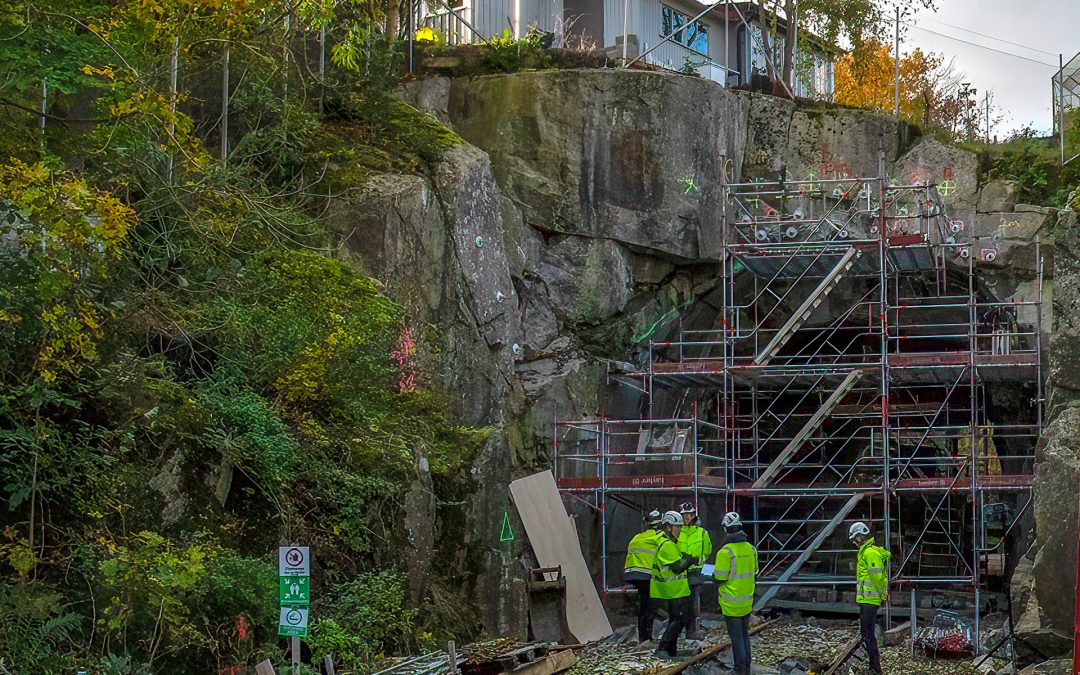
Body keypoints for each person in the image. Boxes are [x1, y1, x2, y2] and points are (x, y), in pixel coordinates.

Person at [714, 511, 758, 675]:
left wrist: (712, 574)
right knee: (744, 635)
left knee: (736, 638)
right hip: (746, 601)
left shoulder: (725, 552)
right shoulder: (751, 549)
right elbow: (755, 572)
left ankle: (739, 670)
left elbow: (719, 578)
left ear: (725, 529)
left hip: (731, 602)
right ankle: (745, 668)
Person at [849, 521, 891, 675]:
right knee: (867, 634)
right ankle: (873, 667)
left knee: (868, 635)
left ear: (861, 537)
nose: (854, 542)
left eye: (855, 539)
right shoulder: (866, 552)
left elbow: (877, 576)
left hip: (870, 600)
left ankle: (875, 668)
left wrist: (882, 594)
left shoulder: (869, 553)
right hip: (867, 599)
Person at [651, 510, 695, 659]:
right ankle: (663, 649)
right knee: (679, 619)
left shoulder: (670, 544)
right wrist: (689, 560)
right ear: (669, 527)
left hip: (675, 590)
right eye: (678, 527)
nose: (680, 530)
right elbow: (677, 568)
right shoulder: (667, 545)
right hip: (672, 590)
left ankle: (671, 650)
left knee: (679, 619)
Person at [623, 510, 663, 643]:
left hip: (632, 574)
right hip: (647, 575)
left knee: (644, 605)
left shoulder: (638, 537)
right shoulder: (659, 537)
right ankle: (647, 638)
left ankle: (643, 637)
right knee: (651, 606)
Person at [676, 501, 712, 639]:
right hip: (680, 571)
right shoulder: (678, 531)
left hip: (695, 572)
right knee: (679, 603)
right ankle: (678, 631)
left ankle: (691, 631)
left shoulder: (702, 533)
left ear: (693, 515)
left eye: (688, 515)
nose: (686, 517)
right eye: (684, 515)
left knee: (692, 604)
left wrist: (699, 561)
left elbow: (707, 551)